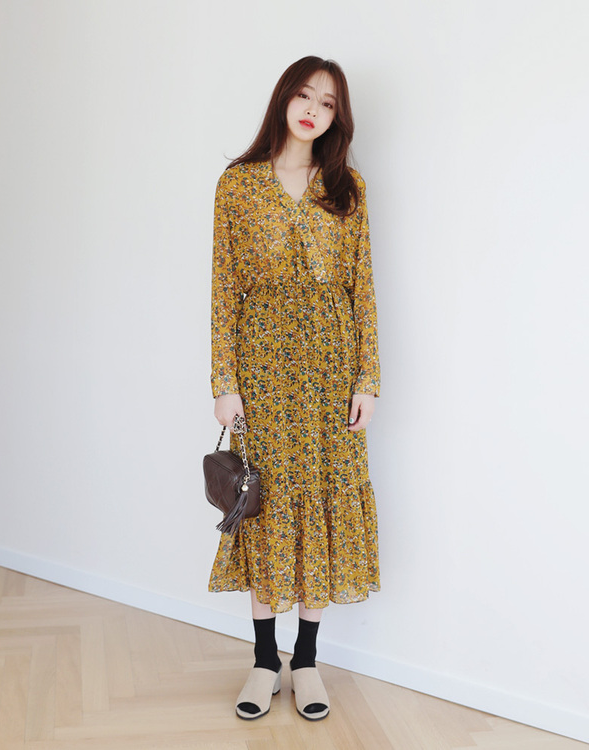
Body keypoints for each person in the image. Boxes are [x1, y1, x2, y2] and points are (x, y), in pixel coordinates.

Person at [208, 55, 381, 722]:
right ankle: (263, 661)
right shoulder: (238, 184)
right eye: (305, 95)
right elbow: (224, 290)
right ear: (284, 98)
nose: (313, 109)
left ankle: (305, 661)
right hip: (263, 376)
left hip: (333, 375)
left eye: (328, 102)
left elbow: (362, 288)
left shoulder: (347, 188)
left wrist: (367, 378)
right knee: (265, 508)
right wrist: (224, 382)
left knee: (324, 510)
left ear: (338, 116)